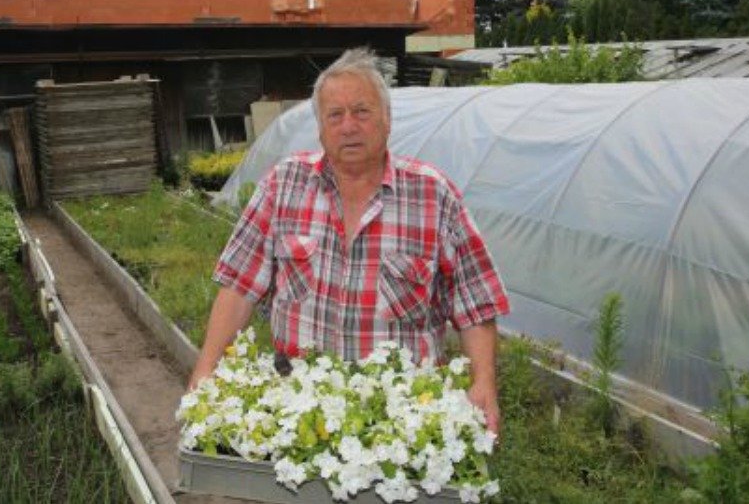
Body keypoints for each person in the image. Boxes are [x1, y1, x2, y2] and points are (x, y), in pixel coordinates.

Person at [188, 48, 510, 432]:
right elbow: (240, 286)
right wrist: (206, 370)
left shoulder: (433, 196)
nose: (349, 126)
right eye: (335, 115)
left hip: (404, 414)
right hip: (298, 406)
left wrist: (484, 384)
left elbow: (475, 304)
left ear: (387, 120)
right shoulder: (283, 184)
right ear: (321, 128)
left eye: (362, 111)